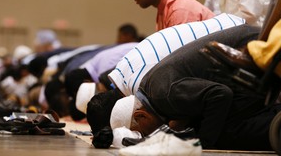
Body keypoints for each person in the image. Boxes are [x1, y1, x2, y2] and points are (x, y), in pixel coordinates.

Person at [110, 23, 281, 151]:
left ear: (141, 116)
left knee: (226, 133)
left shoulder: (165, 95)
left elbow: (221, 95)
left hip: (254, 51)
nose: (147, 136)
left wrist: (203, 145)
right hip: (250, 45)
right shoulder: (150, 87)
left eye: (143, 132)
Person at [86, 13, 245, 136]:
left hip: (236, 42)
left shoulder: (143, 84)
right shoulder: (121, 73)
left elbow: (187, 98)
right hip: (230, 27)